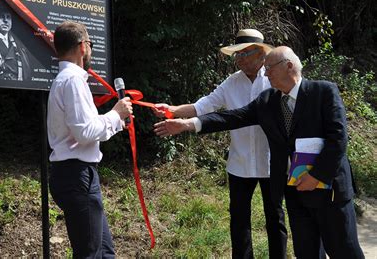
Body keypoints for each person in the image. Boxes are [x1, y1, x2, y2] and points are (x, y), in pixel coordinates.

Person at [154, 46, 364, 259]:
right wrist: (188, 125)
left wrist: (316, 175)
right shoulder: (268, 101)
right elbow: (231, 117)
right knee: (307, 252)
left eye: (270, 68)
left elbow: (337, 140)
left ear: (289, 66)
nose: (266, 73)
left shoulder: (323, 92)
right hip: (296, 190)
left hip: (329, 189)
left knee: (344, 250)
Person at [153, 29, 287, 259]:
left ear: (261, 55)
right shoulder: (232, 82)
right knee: (239, 221)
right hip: (240, 161)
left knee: (275, 218)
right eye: (237, 55)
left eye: (244, 54)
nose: (239, 60)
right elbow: (204, 106)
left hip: (271, 161)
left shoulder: (275, 79)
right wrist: (173, 110)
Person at [47, 21, 132, 258]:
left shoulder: (66, 80)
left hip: (77, 174)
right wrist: (116, 114)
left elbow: (84, 129)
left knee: (104, 252)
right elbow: (85, 132)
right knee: (90, 254)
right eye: (90, 44)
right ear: (83, 47)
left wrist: (115, 120)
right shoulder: (73, 80)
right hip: (76, 174)